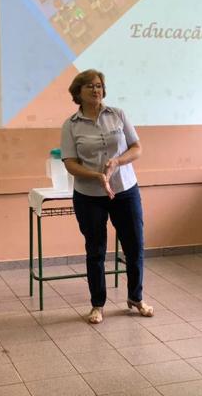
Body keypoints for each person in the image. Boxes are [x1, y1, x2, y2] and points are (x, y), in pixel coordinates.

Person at [60, 69, 153, 325]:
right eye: (89, 86)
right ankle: (97, 304)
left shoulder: (118, 114)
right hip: (89, 195)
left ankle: (135, 297)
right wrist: (94, 175)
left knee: (134, 246)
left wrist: (117, 162)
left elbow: (137, 148)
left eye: (99, 85)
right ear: (78, 93)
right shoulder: (71, 124)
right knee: (96, 250)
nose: (96, 89)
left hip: (125, 190)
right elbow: (69, 162)